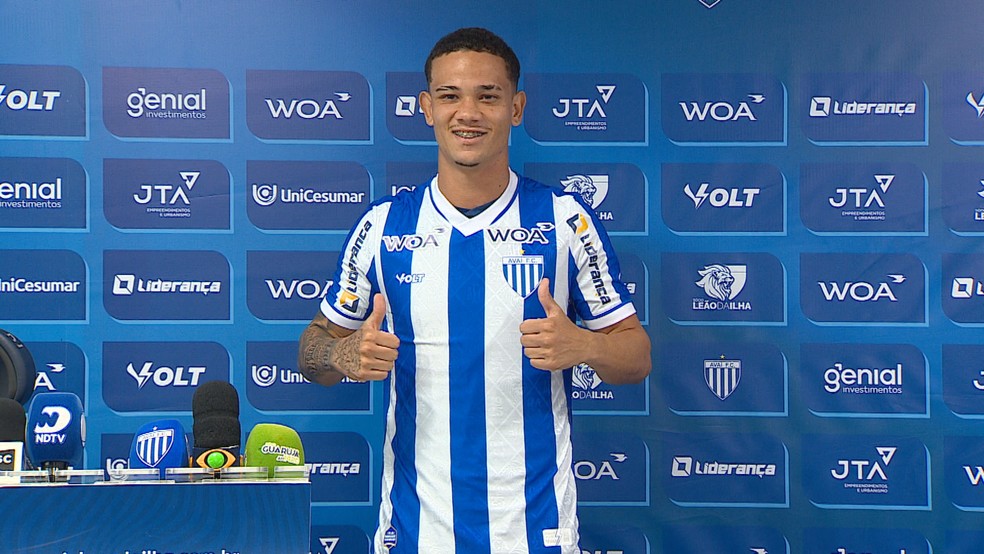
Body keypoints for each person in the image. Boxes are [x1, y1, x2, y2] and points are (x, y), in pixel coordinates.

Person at [298, 27, 651, 554]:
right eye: (450, 96)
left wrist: (584, 345)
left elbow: (636, 356)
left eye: (488, 96)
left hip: (535, 529)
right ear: (426, 108)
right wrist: (340, 354)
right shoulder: (382, 226)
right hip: (415, 531)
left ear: (516, 108)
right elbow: (312, 352)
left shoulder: (565, 220)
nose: (468, 113)